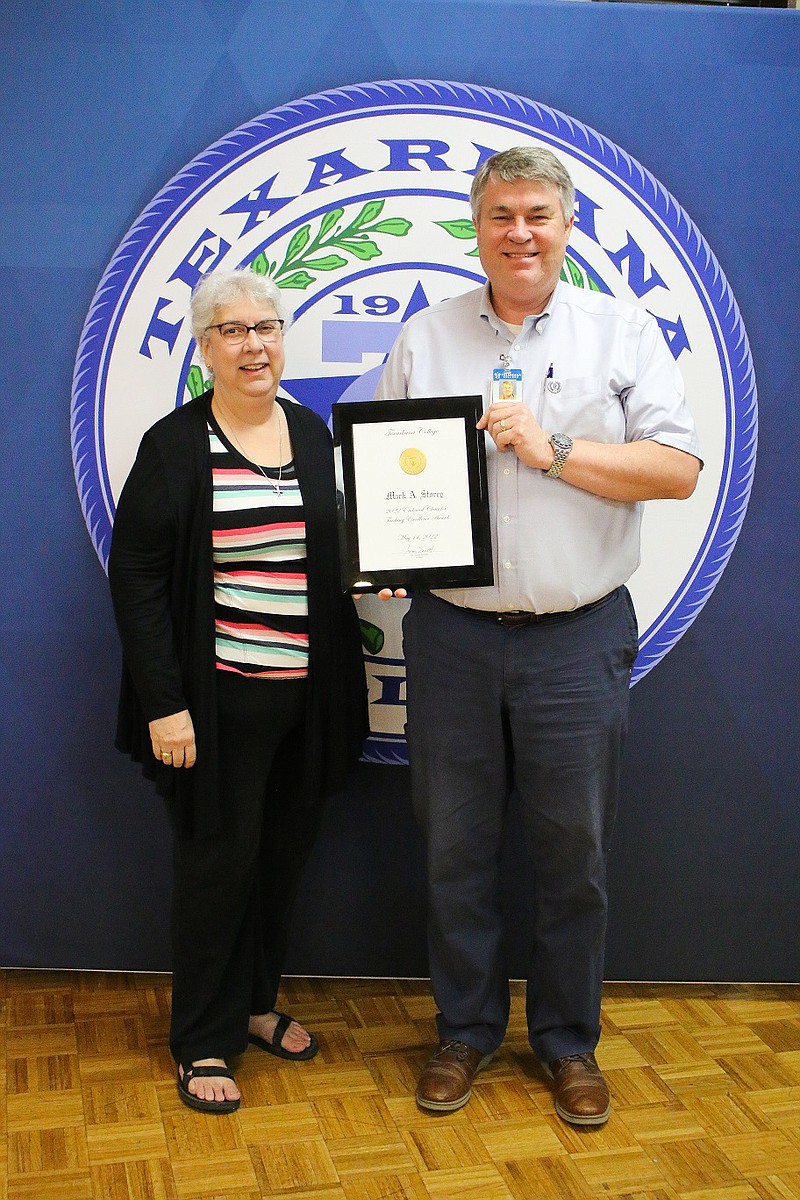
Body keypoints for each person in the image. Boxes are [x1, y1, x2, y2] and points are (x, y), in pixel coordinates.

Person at [373, 146, 701, 1125]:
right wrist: (388, 539)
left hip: (574, 639)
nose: (518, 232)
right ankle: (463, 1035)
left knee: (573, 858)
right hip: (451, 638)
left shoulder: (619, 331)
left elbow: (676, 471)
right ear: (475, 227)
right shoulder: (424, 338)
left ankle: (566, 1044)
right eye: (499, 214)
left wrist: (551, 450)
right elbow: (387, 469)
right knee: (452, 854)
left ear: (566, 228)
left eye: (536, 215)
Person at [109, 267, 367, 1114]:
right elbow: (138, 580)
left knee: (281, 863)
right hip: (213, 708)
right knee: (217, 870)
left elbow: (329, 553)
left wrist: (382, 573)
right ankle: (203, 1040)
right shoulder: (175, 444)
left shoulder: (313, 434)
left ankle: (256, 1007)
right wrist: (164, 704)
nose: (254, 344)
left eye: (267, 326)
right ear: (204, 346)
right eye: (233, 330)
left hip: (307, 702)